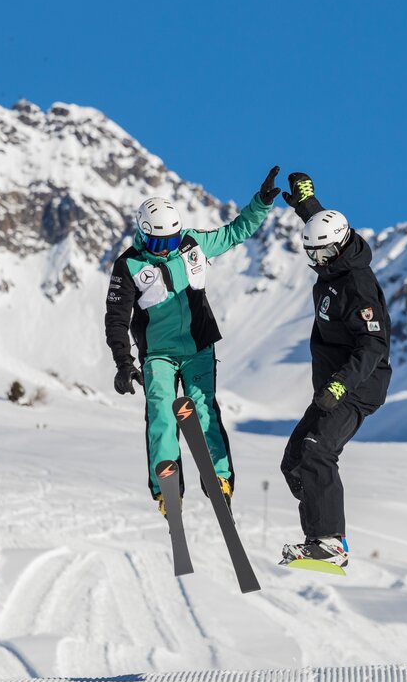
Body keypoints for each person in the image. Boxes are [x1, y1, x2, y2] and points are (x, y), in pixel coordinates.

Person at [105, 167, 281, 514]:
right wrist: (124, 364)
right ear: (142, 235)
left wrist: (260, 203)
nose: (164, 250)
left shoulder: (191, 245)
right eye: (157, 243)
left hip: (199, 347)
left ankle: (219, 478)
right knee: (161, 415)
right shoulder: (129, 266)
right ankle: (166, 486)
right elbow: (116, 319)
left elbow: (235, 232)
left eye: (169, 243)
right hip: (159, 354)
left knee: (203, 411)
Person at [277, 172, 392, 568]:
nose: (319, 262)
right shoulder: (335, 264)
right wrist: (309, 204)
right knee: (294, 462)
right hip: (332, 385)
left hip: (357, 385)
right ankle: (318, 536)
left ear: (340, 250)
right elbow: (327, 227)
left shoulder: (357, 285)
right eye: (313, 255)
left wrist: (341, 386)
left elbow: (374, 344)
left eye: (324, 255)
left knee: (316, 450)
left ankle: (330, 542)